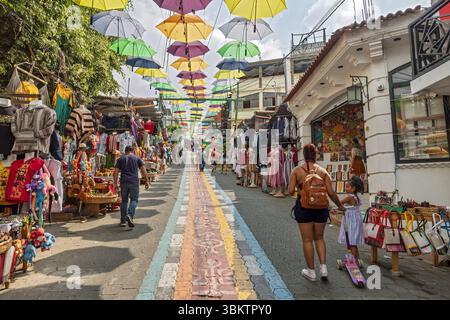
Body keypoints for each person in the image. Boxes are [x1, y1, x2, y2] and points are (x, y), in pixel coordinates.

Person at [288, 144, 345, 282]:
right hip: (321, 209)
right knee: (319, 238)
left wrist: (300, 191)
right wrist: (340, 206)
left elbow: (290, 191)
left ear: (303, 155)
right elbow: (331, 193)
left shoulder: (296, 171)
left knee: (307, 240)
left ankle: (311, 272)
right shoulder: (323, 171)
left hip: (304, 208)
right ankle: (324, 269)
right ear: (315, 155)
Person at [114, 146, 149, 228]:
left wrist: (115, 183)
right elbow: (143, 169)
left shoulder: (120, 159)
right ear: (132, 151)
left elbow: (115, 172)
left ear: (125, 151)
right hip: (134, 182)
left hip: (124, 182)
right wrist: (147, 180)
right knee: (134, 199)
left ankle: (123, 221)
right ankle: (129, 215)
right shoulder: (137, 158)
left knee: (124, 201)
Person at [337, 176, 365, 263]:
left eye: (348, 186)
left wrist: (337, 209)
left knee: (351, 241)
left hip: (351, 222)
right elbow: (350, 209)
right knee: (353, 241)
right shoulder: (356, 197)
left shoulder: (349, 197)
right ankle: (357, 259)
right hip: (356, 220)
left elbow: (339, 204)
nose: (346, 188)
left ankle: (353, 261)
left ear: (353, 188)